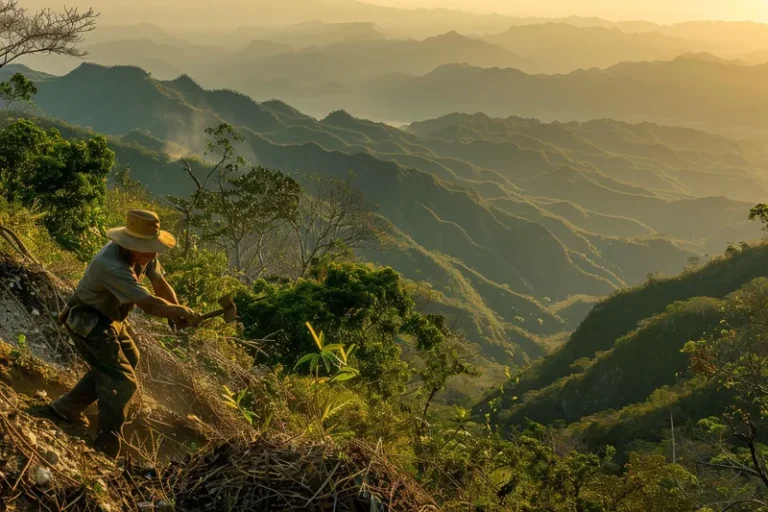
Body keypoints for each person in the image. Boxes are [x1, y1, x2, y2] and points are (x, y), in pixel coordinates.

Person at [50, 209, 202, 458]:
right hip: (88, 320)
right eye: (149, 248)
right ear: (133, 244)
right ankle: (106, 450)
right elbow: (150, 304)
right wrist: (181, 311)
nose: (154, 253)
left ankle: (66, 408)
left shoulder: (143, 254)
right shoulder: (111, 265)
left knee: (129, 358)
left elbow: (160, 285)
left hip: (110, 318)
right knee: (122, 381)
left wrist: (178, 314)